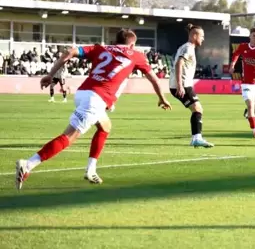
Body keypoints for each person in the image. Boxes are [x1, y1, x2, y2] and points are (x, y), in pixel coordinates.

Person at [15, 29, 172, 190]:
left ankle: (90, 170)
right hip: (96, 99)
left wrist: (51, 74)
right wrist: (162, 98)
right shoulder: (136, 55)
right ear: (132, 44)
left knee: (105, 127)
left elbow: (70, 51)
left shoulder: (101, 48)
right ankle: (28, 164)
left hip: (83, 92)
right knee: (69, 137)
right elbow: (154, 78)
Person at [169, 24, 214, 148]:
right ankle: (196, 138)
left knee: (197, 109)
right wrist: (180, 85)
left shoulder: (188, 47)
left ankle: (196, 138)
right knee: (197, 109)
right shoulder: (188, 48)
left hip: (184, 84)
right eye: (202, 36)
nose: (203, 39)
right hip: (182, 85)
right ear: (194, 36)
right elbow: (179, 64)